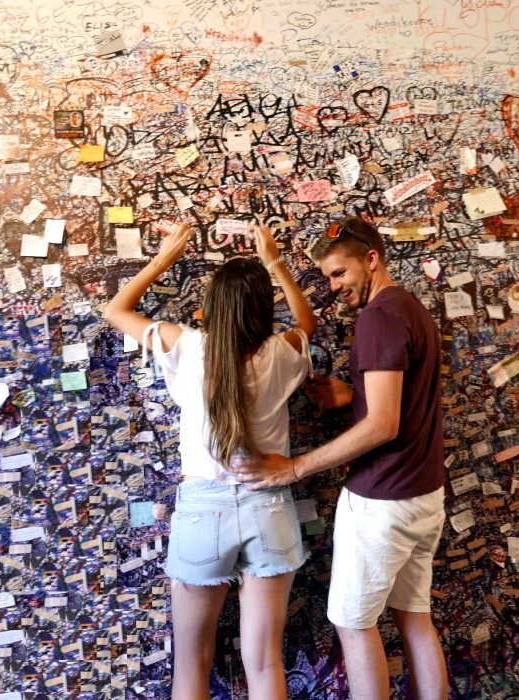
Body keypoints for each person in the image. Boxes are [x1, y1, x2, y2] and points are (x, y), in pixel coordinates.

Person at [103, 220, 317, 700]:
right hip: (269, 506)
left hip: (203, 510)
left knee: (191, 662)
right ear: (263, 308)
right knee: (266, 662)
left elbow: (115, 310)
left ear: (212, 304)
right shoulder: (281, 351)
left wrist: (164, 258)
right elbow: (308, 324)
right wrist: (275, 263)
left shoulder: (185, 345)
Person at [238, 215, 448, 700]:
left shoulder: (377, 318)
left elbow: (383, 425)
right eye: (328, 276)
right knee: (415, 617)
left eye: (339, 273)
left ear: (371, 259)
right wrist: (351, 397)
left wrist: (294, 467)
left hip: (382, 500)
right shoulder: (410, 308)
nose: (333, 286)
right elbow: (397, 404)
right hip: (424, 496)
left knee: (353, 624)